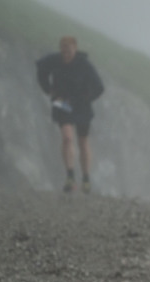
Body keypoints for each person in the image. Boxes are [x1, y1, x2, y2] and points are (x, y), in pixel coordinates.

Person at [36, 36, 104, 193]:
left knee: (83, 141)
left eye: (69, 51)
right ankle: (70, 176)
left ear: (75, 49)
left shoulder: (84, 64)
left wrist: (87, 98)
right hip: (62, 103)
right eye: (63, 51)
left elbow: (99, 87)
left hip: (81, 105)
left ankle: (85, 178)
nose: (66, 54)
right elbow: (41, 69)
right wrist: (48, 89)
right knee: (67, 138)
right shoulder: (54, 60)